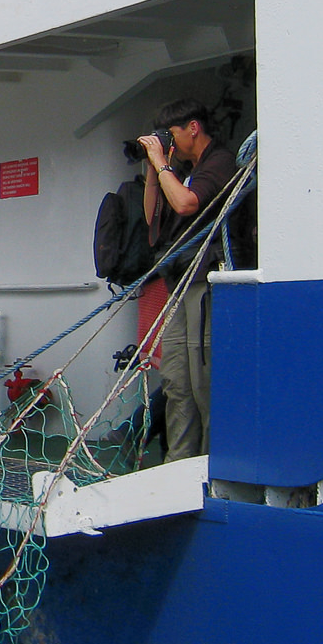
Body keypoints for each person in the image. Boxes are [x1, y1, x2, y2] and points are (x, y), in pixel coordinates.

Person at [138, 98, 239, 462]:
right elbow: (153, 217)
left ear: (193, 128)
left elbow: (186, 204)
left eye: (171, 134)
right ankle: (178, 462)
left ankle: (213, 463)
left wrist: (162, 163)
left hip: (205, 282)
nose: (169, 142)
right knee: (177, 380)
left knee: (202, 380)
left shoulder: (220, 162)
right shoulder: (184, 170)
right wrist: (155, 170)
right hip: (181, 283)